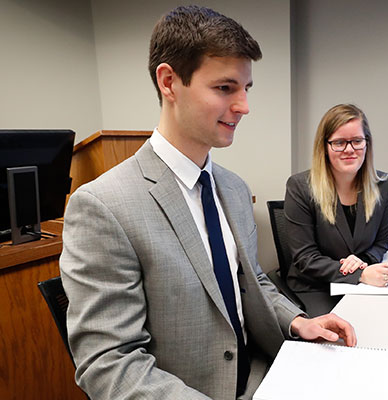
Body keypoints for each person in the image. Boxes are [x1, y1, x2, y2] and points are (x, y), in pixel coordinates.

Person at [59, 6, 356, 400]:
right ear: (169, 82)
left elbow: (249, 281)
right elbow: (110, 364)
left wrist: (298, 321)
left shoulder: (232, 188)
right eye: (224, 88)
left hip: (265, 374)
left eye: (246, 89)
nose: (244, 106)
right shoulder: (103, 206)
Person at [284, 104, 388, 317]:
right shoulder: (300, 186)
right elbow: (305, 258)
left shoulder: (383, 184)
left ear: (367, 144)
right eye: (339, 142)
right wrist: (360, 274)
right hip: (315, 288)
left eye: (357, 141)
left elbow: (381, 243)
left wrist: (363, 261)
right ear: (324, 147)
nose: (349, 149)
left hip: (362, 287)